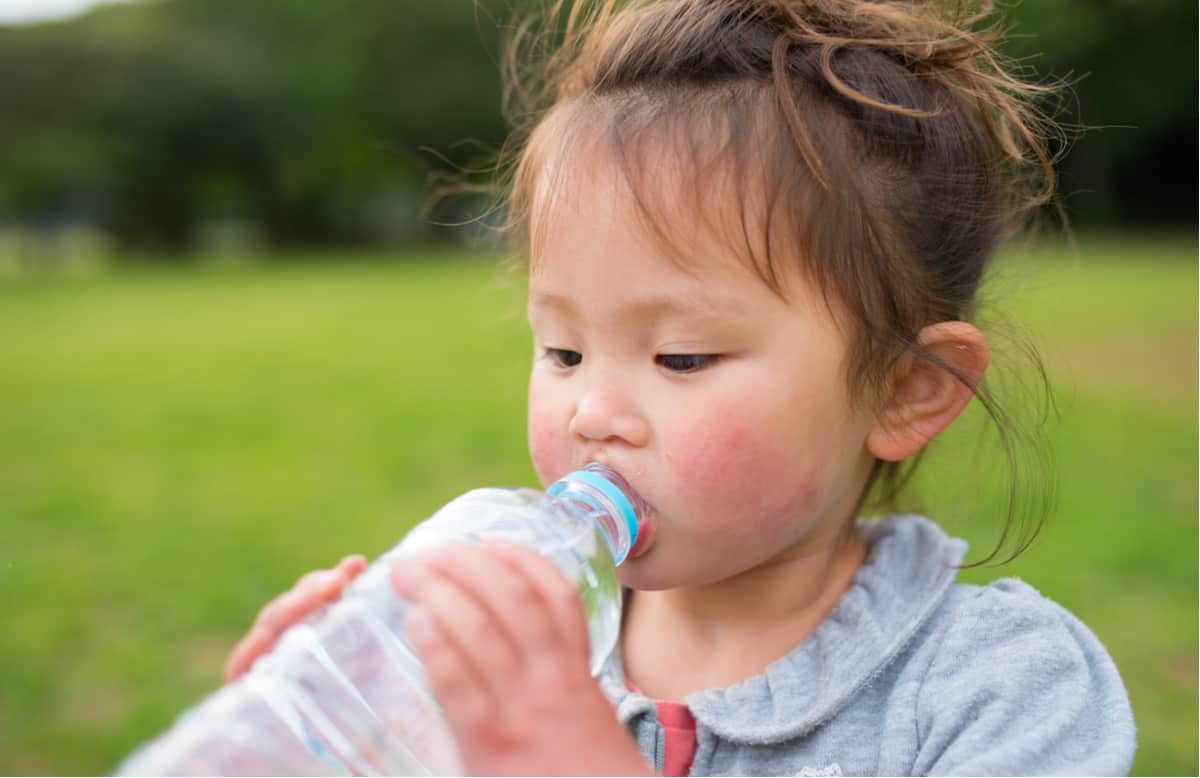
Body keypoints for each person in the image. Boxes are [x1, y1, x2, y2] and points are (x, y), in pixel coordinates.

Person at [224, 1, 1136, 774]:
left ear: (906, 390)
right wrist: (323, 725)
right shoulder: (507, 654)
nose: (593, 414)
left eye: (682, 358)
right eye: (564, 353)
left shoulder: (1001, 691)